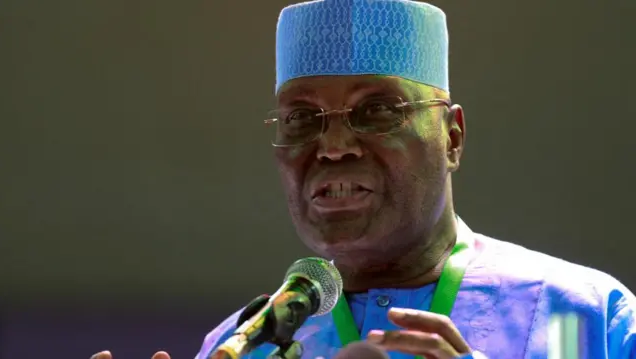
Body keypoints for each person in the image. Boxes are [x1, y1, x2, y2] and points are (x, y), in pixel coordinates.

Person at [91, 0, 636, 358]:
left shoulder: (581, 318)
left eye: (377, 111)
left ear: (451, 137)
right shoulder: (243, 345)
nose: (332, 147)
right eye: (301, 119)